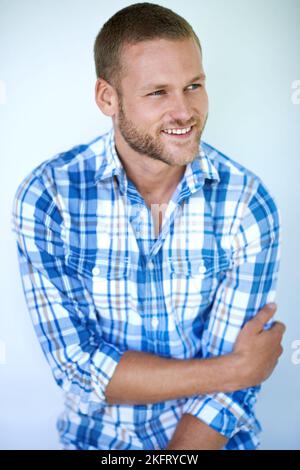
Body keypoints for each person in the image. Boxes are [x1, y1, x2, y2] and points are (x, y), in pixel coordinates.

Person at [12, 2, 285, 450]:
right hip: (96, 441)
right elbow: (81, 366)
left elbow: (226, 399)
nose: (184, 111)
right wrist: (237, 368)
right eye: (158, 93)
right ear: (107, 98)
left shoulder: (246, 202)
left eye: (193, 86)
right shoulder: (49, 197)